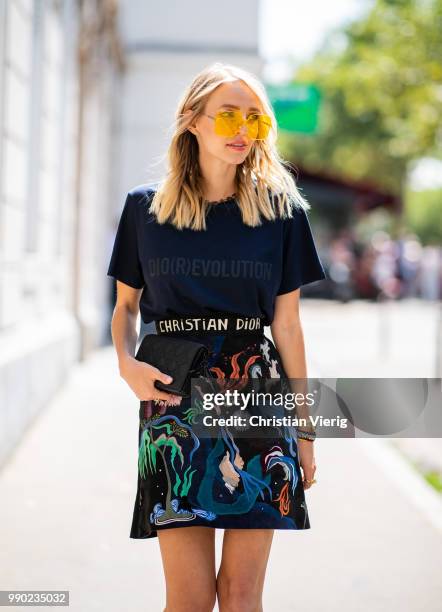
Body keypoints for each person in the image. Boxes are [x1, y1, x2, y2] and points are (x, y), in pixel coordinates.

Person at [107, 62, 326, 612]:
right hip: (174, 394)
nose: (242, 129)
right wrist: (125, 364)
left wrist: (305, 430)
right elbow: (125, 308)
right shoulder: (144, 209)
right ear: (193, 122)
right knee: (189, 597)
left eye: (255, 119)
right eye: (228, 114)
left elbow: (290, 326)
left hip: (254, 392)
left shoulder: (282, 211)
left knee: (242, 592)